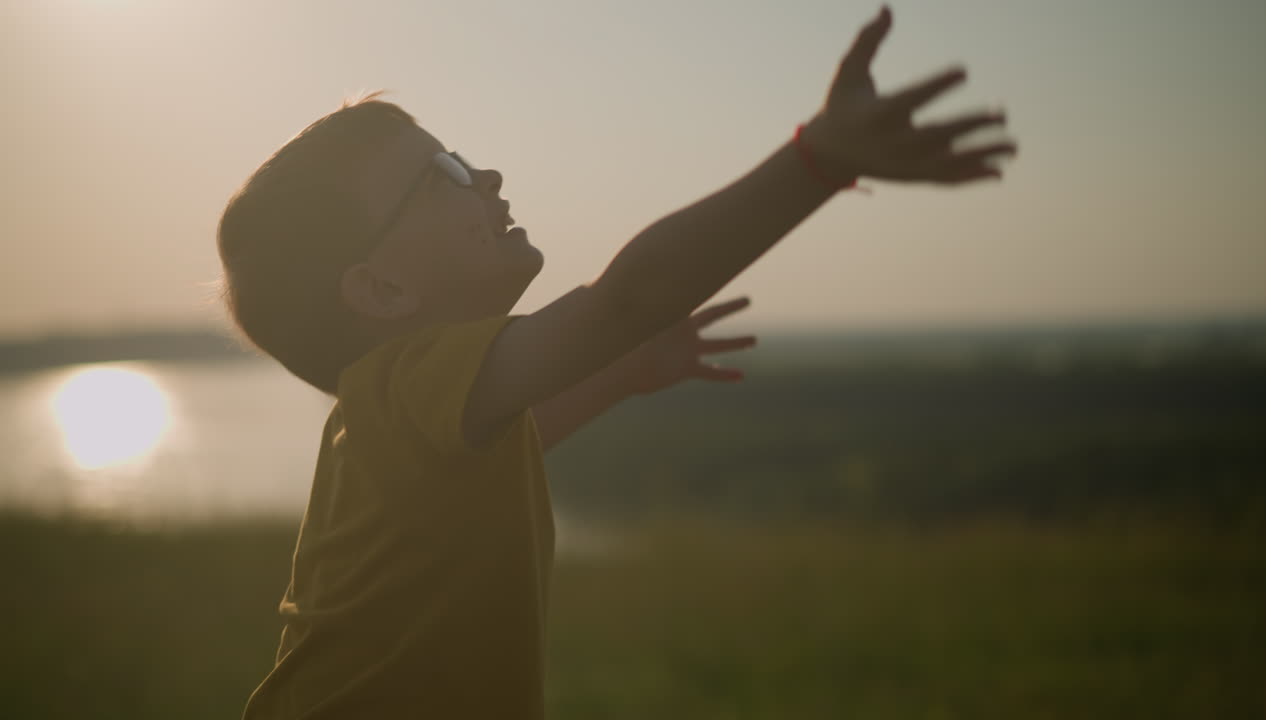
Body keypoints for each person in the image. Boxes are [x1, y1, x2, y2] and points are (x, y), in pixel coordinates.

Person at [218, 5, 1015, 718]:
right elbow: (624, 299)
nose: (484, 174)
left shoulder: (400, 423)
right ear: (382, 287)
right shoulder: (401, 388)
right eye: (444, 173)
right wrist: (817, 161)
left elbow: (513, 438)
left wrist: (621, 373)